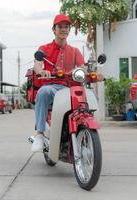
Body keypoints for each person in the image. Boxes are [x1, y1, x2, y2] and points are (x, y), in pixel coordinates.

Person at [31, 14, 104, 152]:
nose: (64, 29)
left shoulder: (74, 51)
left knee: (92, 95)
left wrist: (91, 74)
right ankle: (39, 134)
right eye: (60, 26)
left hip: (71, 87)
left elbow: (82, 68)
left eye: (66, 27)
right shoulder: (44, 49)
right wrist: (41, 72)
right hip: (53, 87)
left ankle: (86, 130)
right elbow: (38, 64)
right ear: (54, 29)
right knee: (43, 92)